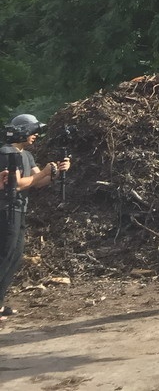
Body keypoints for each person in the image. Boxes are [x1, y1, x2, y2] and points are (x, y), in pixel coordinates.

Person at [0, 114, 70, 323]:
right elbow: (16, 184)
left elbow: (38, 182)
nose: (36, 135)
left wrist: (58, 171)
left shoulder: (27, 155)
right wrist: (45, 172)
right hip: (6, 209)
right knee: (5, 254)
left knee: (15, 256)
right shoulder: (5, 153)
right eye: (33, 130)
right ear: (22, 130)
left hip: (20, 209)